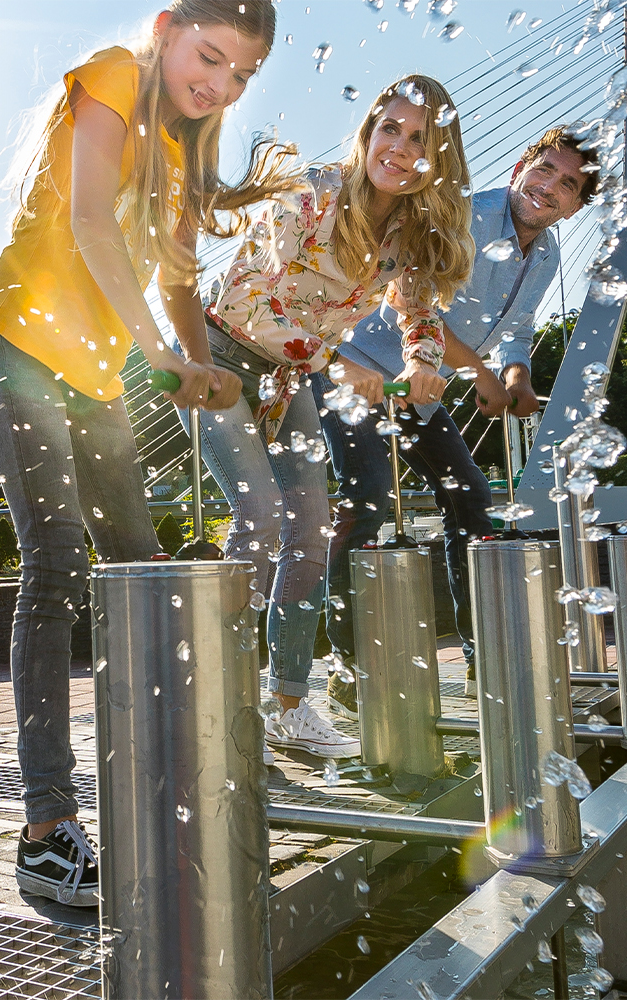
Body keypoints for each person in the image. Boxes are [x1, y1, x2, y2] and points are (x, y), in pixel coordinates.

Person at [0, 0, 295, 907]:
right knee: (58, 562)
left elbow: (181, 284)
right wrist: (156, 353)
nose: (219, 83)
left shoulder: (186, 156)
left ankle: (168, 790)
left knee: (140, 575)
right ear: (165, 27)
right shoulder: (113, 71)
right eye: (210, 54)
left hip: (96, 379)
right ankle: (45, 827)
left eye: (241, 75)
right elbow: (89, 224)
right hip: (20, 347)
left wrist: (199, 365)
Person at [177, 73, 471, 762]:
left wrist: (423, 360)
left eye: (418, 139)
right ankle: (220, 692)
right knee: (261, 517)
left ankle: (287, 704)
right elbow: (267, 297)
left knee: (309, 532)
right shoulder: (314, 190)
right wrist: (342, 366)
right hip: (226, 359)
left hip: (292, 380)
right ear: (369, 130)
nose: (397, 148)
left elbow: (419, 310)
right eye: (388, 128)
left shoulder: (409, 235)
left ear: (438, 156)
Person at [316, 124, 598, 711]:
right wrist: (483, 375)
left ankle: (481, 658)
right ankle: (346, 663)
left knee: (469, 498)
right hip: (361, 364)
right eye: (544, 169)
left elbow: (517, 329)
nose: (548, 187)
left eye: (567, 185)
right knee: (366, 495)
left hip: (422, 387)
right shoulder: (463, 216)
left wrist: (517, 373)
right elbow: (419, 310)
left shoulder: (545, 252)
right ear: (522, 163)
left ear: (574, 208)